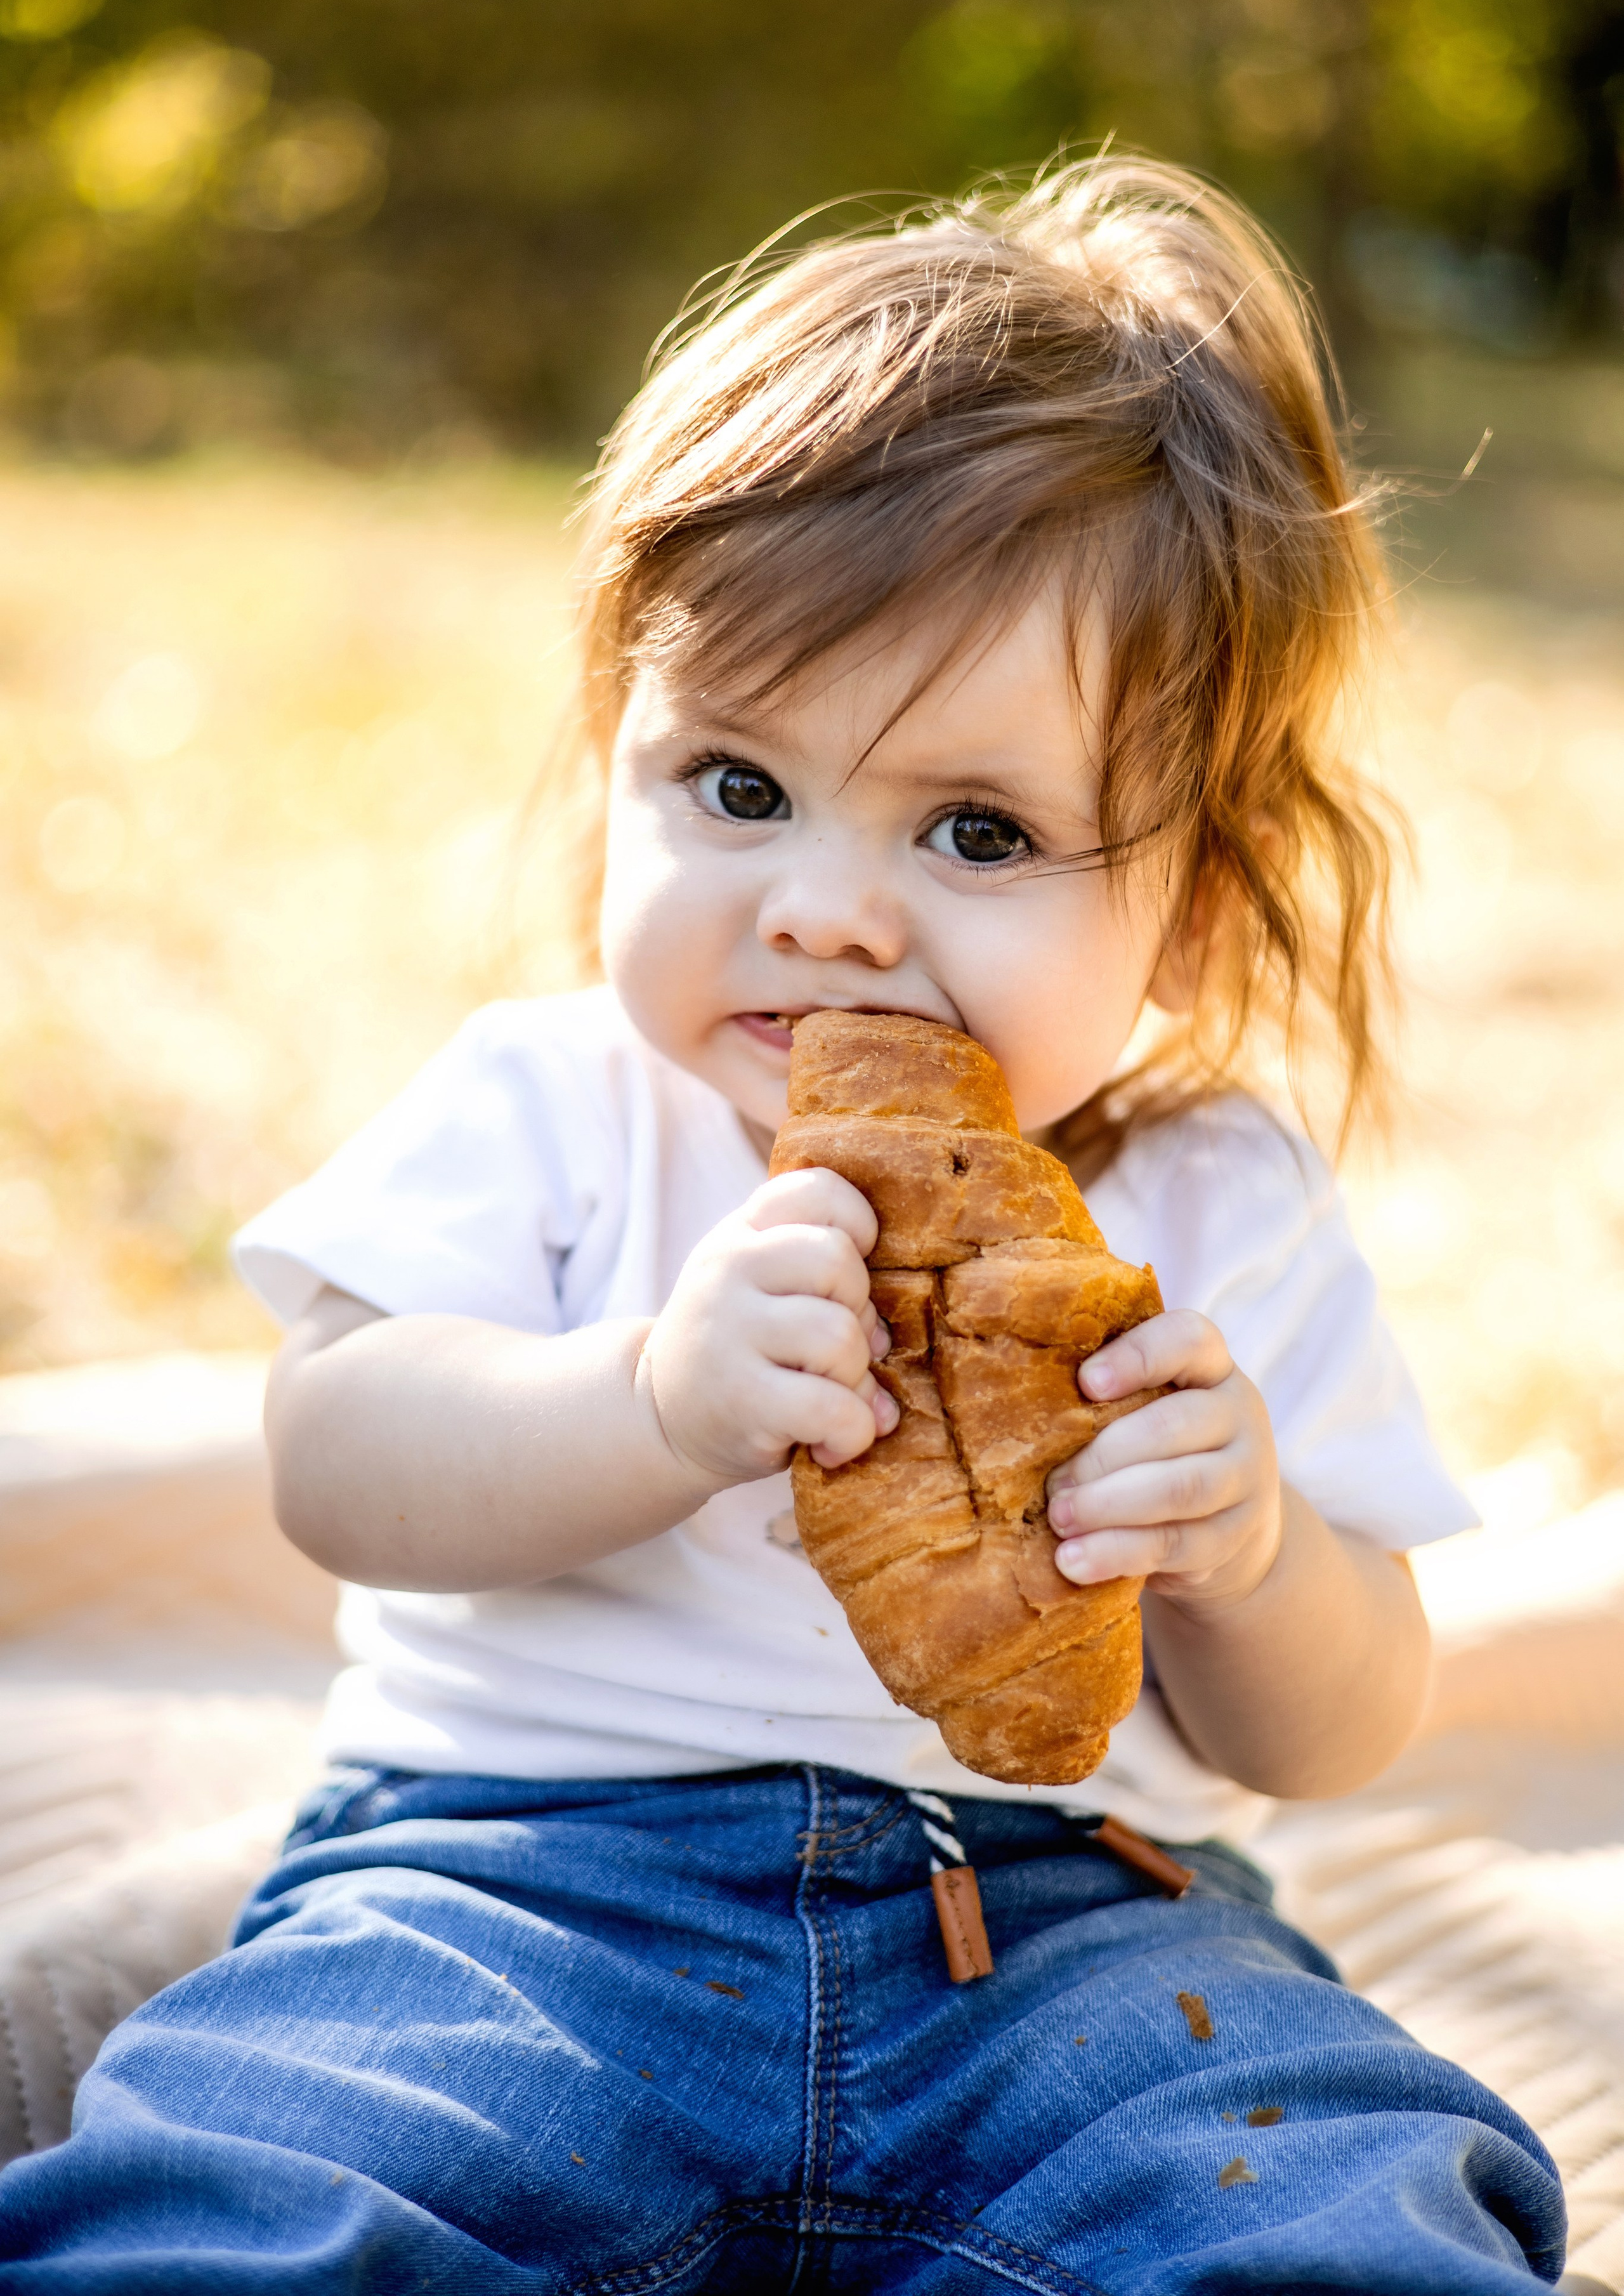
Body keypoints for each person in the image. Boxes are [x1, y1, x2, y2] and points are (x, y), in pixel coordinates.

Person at [0, 155, 1566, 2292]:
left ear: (1194, 916)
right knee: (264, 2186)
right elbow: (336, 1456)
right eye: (737, 786)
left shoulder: (1222, 1209)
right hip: (522, 1892)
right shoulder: (559, 1104)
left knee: (1348, 2199)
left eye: (981, 829)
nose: (826, 905)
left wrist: (1257, 1551)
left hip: (1085, 1930)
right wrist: (647, 1402)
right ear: (620, 754)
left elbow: (1347, 1722)